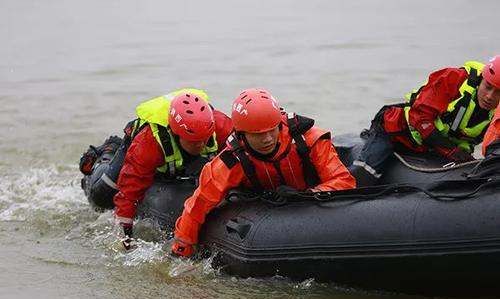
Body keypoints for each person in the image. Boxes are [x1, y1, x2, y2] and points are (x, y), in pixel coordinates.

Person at [170, 88, 356, 257]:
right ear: (242, 135)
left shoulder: (308, 139)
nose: (267, 139)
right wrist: (182, 249)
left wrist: (307, 195)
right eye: (258, 134)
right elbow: (198, 204)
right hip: (262, 208)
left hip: (313, 201)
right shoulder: (232, 160)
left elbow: (344, 181)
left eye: (271, 130)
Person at [79, 88, 232, 247]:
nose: (200, 145)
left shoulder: (220, 127)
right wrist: (125, 233)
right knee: (102, 195)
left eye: (204, 139)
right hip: (134, 146)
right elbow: (129, 190)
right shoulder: (149, 142)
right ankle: (109, 149)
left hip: (177, 160)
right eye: (193, 141)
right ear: (176, 133)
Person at [350, 56, 500, 186]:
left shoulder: (496, 113)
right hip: (397, 133)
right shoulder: (453, 78)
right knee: (366, 174)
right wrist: (451, 151)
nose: (489, 96)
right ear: (482, 79)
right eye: (487, 87)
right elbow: (420, 118)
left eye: (498, 92)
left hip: (434, 150)